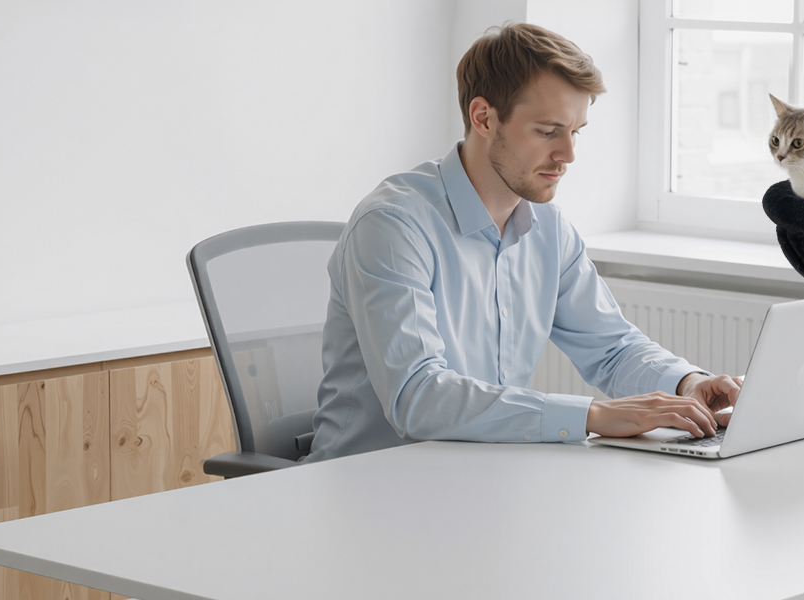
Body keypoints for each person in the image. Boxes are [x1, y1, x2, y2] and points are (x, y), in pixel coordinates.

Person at [305, 23, 741, 462]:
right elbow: (418, 396)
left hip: (482, 477)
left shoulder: (549, 228)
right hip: (367, 485)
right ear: (484, 118)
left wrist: (686, 383)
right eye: (548, 131)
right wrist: (592, 415)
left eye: (576, 131)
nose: (568, 154)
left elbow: (611, 348)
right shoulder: (393, 225)